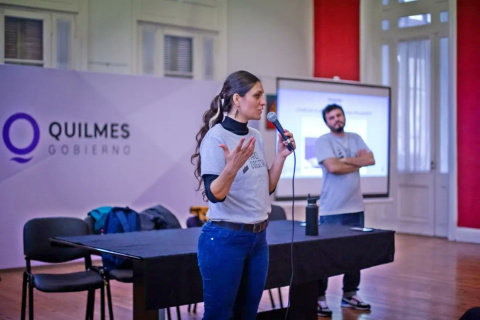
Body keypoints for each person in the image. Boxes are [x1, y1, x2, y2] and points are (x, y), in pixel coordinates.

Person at [191, 70, 295, 320]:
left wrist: (280, 157)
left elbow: (266, 189)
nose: (263, 102)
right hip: (225, 239)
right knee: (219, 316)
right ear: (237, 99)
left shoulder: (256, 136)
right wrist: (231, 168)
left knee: (247, 314)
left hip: (258, 240)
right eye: (257, 95)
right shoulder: (215, 137)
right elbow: (214, 194)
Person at [315, 103, 375, 317]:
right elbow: (332, 167)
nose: (336, 120)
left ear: (344, 116)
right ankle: (319, 298)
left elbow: (371, 159)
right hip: (332, 210)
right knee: (325, 255)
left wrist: (344, 161)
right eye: (331, 118)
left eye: (339, 115)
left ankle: (350, 294)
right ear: (327, 122)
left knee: (354, 254)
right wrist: (357, 162)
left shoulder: (355, 137)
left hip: (355, 207)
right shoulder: (324, 141)